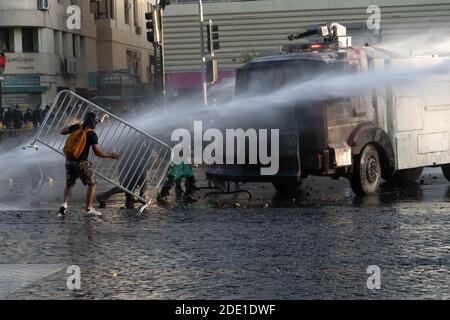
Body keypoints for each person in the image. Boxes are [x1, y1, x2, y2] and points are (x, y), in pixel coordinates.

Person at [59, 112, 120, 217]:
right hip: (81, 163)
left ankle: (64, 205)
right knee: (92, 184)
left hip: (69, 161)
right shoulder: (92, 134)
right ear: (94, 123)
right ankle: (88, 208)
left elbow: (62, 131)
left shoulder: (77, 127)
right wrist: (110, 155)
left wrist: (74, 127)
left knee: (69, 183)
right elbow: (97, 152)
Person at [96, 139, 149, 209]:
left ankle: (131, 200)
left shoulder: (135, 140)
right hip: (131, 165)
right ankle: (103, 196)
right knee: (126, 186)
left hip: (133, 164)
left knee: (130, 185)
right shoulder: (136, 140)